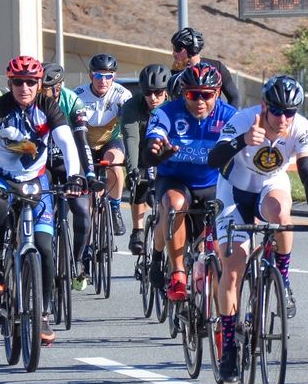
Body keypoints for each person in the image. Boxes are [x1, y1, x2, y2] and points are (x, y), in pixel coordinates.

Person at [208, 75, 308, 381]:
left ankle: (283, 280)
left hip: (269, 185)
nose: (285, 118)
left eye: (291, 111)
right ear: (264, 106)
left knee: (281, 213)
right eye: (278, 111)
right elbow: (214, 159)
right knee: (233, 268)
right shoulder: (244, 120)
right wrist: (242, 141)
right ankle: (230, 346)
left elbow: (307, 169)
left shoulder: (300, 126)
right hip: (234, 189)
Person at [0, 55, 84, 345]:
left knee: (44, 247)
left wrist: (74, 177)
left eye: (30, 82)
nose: (24, 88)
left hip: (36, 179)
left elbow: (67, 142)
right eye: (18, 82)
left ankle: (43, 313)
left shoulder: (48, 107)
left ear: (38, 84)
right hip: (1, 177)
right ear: (10, 83)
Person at [143, 62, 236, 302]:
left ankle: (218, 317)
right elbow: (150, 147)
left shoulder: (229, 116)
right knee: (175, 205)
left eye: (207, 95)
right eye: (193, 95)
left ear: (217, 93)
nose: (200, 101)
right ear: (184, 93)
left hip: (211, 183)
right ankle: (177, 273)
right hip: (175, 178)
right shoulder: (166, 113)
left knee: (216, 250)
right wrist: (155, 153)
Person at [40, 62, 94, 290]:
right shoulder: (32, 102)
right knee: (42, 210)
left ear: (58, 87)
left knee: (82, 210)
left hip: (67, 162)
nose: (41, 91)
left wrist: (89, 172)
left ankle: (79, 260)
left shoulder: (72, 101)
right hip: (42, 164)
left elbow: (82, 140)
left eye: (47, 87)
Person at [74, 52, 131, 237]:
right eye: (98, 75)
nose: (103, 81)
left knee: (114, 163)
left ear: (114, 77)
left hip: (110, 140)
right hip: (86, 141)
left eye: (108, 76)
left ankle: (115, 208)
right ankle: (89, 234)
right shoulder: (79, 94)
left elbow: (128, 122)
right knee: (90, 194)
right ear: (91, 75)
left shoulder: (122, 93)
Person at [121, 63, 171, 256]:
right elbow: (131, 139)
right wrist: (132, 169)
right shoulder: (132, 107)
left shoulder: (175, 105)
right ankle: (138, 230)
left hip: (166, 153)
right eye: (148, 93)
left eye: (158, 93)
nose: (153, 98)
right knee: (138, 180)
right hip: (142, 151)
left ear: (166, 92)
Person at [168, 27, 240, 107]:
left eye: (177, 49)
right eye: (174, 48)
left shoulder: (217, 67)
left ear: (192, 50)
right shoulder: (174, 74)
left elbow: (234, 97)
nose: (174, 53)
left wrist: (230, 118)